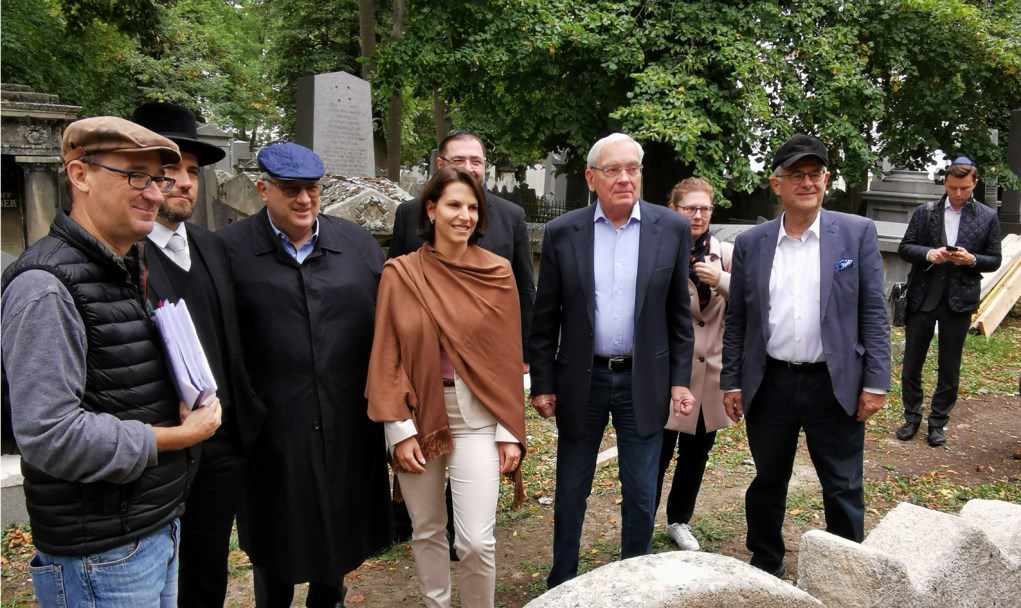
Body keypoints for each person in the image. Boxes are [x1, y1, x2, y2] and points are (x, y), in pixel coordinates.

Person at [0, 116, 222, 607]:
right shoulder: (45, 288)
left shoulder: (123, 264)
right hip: (100, 555)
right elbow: (48, 434)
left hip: (149, 528)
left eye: (158, 179)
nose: (155, 193)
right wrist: (177, 437)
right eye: (135, 175)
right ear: (79, 175)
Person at [218, 143, 393, 607]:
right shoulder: (229, 251)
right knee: (276, 537)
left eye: (312, 190)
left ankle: (328, 598)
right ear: (262, 189)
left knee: (338, 531)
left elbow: (389, 325)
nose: (304, 200)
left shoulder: (355, 244)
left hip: (346, 421)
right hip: (273, 425)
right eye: (290, 190)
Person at [529, 133, 696, 589]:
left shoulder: (672, 229)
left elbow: (679, 318)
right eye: (612, 170)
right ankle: (563, 578)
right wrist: (542, 382)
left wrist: (680, 380)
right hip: (583, 380)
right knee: (571, 491)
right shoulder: (565, 232)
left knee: (641, 495)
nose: (624, 178)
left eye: (632, 169)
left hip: (645, 381)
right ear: (591, 177)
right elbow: (546, 319)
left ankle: (632, 581)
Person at [720, 134, 890, 578]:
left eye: (815, 174)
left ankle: (846, 569)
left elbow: (874, 311)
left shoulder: (855, 234)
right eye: (797, 175)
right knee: (768, 481)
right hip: (770, 383)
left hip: (833, 383)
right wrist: (731, 381)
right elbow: (737, 318)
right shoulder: (752, 243)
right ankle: (765, 560)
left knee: (843, 484)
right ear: (776, 184)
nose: (807, 182)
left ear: (827, 180)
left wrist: (875, 382)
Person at [367, 166, 527, 608]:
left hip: (477, 416)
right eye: (454, 205)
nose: (465, 215)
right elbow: (387, 354)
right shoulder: (401, 273)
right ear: (431, 209)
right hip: (419, 416)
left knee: (477, 540)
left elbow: (507, 357)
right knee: (427, 529)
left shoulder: (498, 273)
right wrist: (397, 430)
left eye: (473, 207)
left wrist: (510, 429)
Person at [129, 101, 265, 607]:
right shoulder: (125, 252)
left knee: (207, 570)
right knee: (158, 575)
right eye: (169, 171)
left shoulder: (212, 247)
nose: (184, 182)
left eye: (190, 171)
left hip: (221, 446)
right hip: (160, 448)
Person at [388, 130, 536, 549]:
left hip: (481, 387)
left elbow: (525, 290)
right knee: (427, 526)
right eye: (461, 160)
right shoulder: (408, 219)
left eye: (477, 161)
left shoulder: (509, 217)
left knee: (476, 538)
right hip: (426, 384)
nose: (471, 168)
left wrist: (521, 359)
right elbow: (396, 300)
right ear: (440, 166)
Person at [896, 157, 1001, 447]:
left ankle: (938, 423)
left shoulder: (987, 217)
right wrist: (929, 254)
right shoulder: (925, 212)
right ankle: (911, 417)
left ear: (974, 184)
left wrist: (972, 259)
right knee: (912, 363)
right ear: (945, 182)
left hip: (960, 299)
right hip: (923, 297)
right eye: (953, 187)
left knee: (949, 366)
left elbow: (994, 260)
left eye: (964, 188)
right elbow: (905, 247)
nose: (958, 193)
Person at [654, 177, 734, 551]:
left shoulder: (726, 253)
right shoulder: (659, 250)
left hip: (710, 374)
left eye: (705, 208)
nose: (699, 215)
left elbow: (751, 299)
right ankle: (641, 519)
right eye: (691, 208)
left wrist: (721, 280)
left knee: (696, 454)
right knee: (657, 453)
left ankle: (679, 520)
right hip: (670, 372)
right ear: (674, 209)